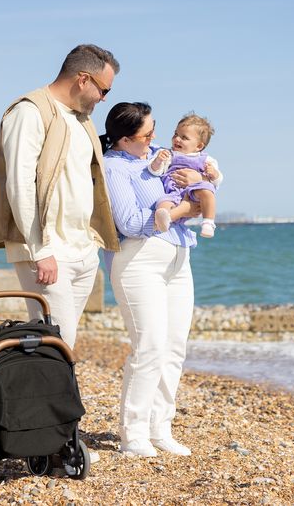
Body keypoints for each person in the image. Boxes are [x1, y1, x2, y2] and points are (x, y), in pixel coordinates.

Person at [0, 44, 121, 349]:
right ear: (83, 79)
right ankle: (45, 396)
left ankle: (45, 396)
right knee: (57, 341)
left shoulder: (81, 120)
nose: (104, 99)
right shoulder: (29, 112)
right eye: (104, 90)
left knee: (57, 341)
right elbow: (19, 183)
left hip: (82, 249)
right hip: (47, 249)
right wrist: (40, 249)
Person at [100, 102, 214, 457]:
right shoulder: (115, 167)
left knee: (174, 347)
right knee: (148, 346)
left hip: (179, 257)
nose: (154, 138)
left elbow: (193, 189)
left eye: (154, 131)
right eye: (146, 134)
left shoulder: (157, 161)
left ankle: (160, 427)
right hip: (139, 261)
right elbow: (131, 223)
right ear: (124, 138)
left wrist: (198, 185)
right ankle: (133, 434)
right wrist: (185, 211)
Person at [148, 113, 223, 238]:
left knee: (208, 193)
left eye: (184, 137)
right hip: (172, 191)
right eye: (175, 134)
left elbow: (217, 181)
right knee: (163, 203)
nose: (177, 139)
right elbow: (155, 171)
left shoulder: (206, 159)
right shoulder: (168, 154)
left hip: (194, 191)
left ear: (199, 146)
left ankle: (208, 222)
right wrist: (158, 161)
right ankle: (164, 220)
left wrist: (214, 174)